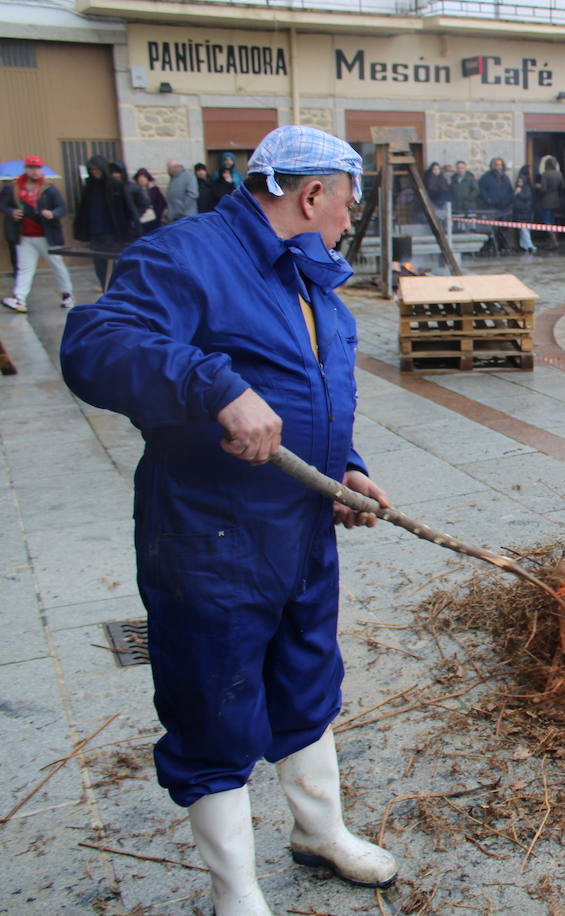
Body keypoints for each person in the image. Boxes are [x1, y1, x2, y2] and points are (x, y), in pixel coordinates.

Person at [60, 125, 399, 914]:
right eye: (348, 204)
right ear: (311, 195)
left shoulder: (310, 275)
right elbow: (97, 345)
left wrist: (342, 467)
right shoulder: (186, 254)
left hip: (303, 524)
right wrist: (211, 384)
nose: (350, 220)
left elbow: (316, 386)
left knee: (307, 679)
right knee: (214, 700)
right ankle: (236, 890)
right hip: (212, 534)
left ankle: (320, 832)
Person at [1, 156, 74, 313]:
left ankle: (67, 294)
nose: (35, 171)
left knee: (57, 265)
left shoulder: (49, 188)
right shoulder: (13, 188)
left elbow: (62, 207)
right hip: (25, 236)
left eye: (38, 167)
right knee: (24, 268)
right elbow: (3, 205)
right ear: (26, 169)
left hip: (47, 235)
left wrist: (53, 213)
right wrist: (11, 212)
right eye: (31, 167)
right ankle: (20, 299)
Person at [72, 154, 139, 289]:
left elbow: (128, 208)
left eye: (97, 169)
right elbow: (83, 210)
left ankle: (117, 290)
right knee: (99, 263)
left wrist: (133, 228)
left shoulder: (115, 185)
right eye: (92, 170)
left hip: (111, 231)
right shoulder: (89, 187)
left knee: (113, 263)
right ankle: (105, 287)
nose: (94, 172)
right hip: (95, 232)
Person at [478, 157, 515, 250]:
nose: (498, 167)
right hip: (491, 208)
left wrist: (509, 201)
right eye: (496, 165)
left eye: (500, 165)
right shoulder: (486, 177)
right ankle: (490, 246)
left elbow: (510, 191)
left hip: (504, 208)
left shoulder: (505, 178)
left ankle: (503, 246)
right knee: (491, 229)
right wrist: (488, 200)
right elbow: (482, 191)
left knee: (503, 228)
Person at [537, 155, 563, 248]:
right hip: (556, 200)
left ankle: (554, 241)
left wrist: (538, 188)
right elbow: (562, 187)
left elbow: (543, 189)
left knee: (547, 221)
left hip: (546, 201)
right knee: (553, 221)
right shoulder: (559, 174)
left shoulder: (545, 174)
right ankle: (553, 240)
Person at [511, 172, 537, 253]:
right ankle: (524, 245)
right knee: (522, 230)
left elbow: (526, 198)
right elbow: (513, 200)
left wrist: (518, 194)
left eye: (521, 182)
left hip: (525, 212)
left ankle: (529, 245)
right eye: (518, 182)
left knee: (524, 230)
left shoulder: (527, 190)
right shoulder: (516, 190)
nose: (519, 184)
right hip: (519, 212)